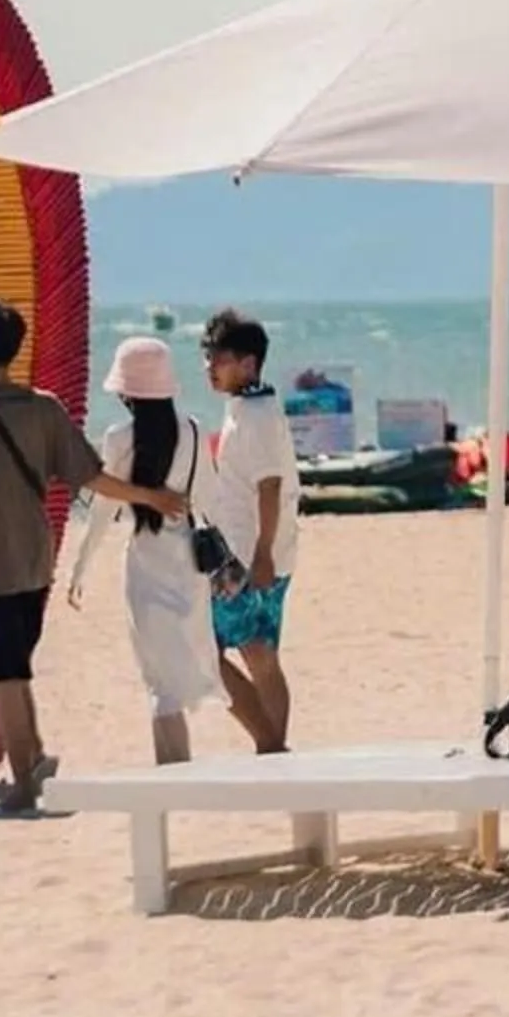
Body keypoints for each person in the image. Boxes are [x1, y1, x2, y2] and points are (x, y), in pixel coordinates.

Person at [0, 297, 149, 811]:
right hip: (39, 560)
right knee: (17, 666)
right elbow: (92, 475)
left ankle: (23, 783)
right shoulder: (46, 408)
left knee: (6, 677)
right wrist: (149, 496)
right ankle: (36, 757)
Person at [63, 336, 219, 765]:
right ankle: (172, 770)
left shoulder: (119, 438)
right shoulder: (193, 432)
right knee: (172, 679)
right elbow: (209, 499)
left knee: (158, 682)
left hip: (146, 564)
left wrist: (80, 568)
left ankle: (174, 771)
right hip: (188, 564)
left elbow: (103, 509)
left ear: (126, 392)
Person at [200, 307, 301, 753]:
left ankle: (268, 740)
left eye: (219, 360)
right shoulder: (253, 406)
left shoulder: (255, 416)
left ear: (248, 364)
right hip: (262, 551)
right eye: (208, 358)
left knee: (203, 651)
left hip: (246, 557)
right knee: (260, 653)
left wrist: (262, 553)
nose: (210, 368)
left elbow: (269, 487)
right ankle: (272, 749)